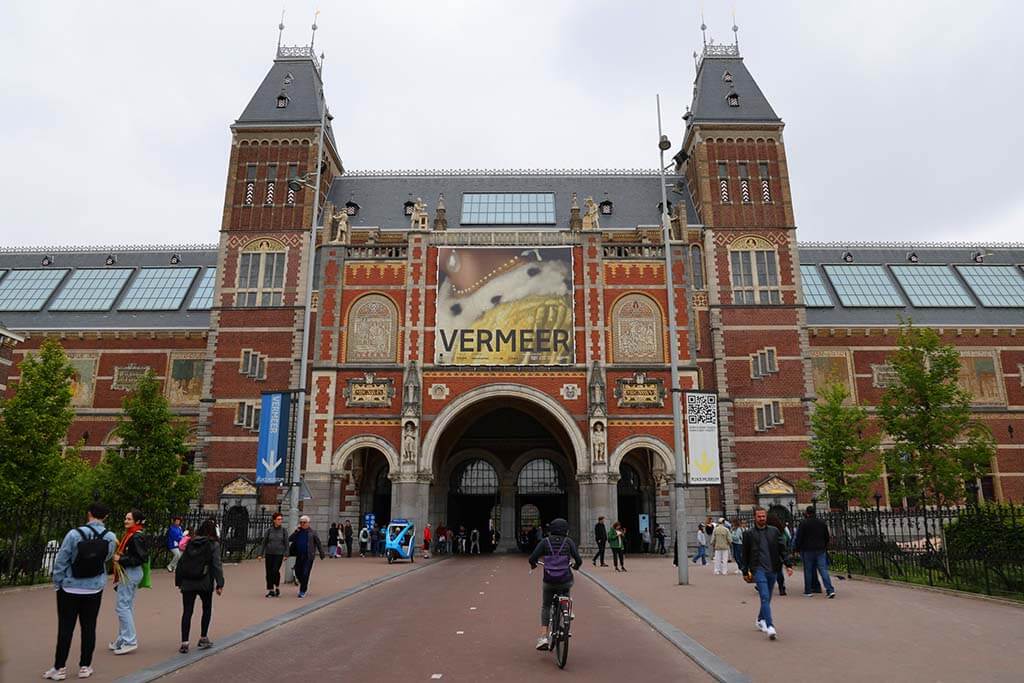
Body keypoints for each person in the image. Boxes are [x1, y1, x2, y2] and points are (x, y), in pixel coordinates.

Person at [44, 502, 118, 681]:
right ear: (105, 517)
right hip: (94, 588)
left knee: (65, 628)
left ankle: (59, 668)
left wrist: (57, 582)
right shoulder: (110, 536)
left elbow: (62, 560)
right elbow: (106, 558)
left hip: (70, 586)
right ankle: (85, 666)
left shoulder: (74, 534)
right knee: (89, 627)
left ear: (89, 514)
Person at [527, 518, 583, 651]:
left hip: (549, 580)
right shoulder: (568, 542)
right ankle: (568, 609)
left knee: (546, 606)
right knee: (568, 584)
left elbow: (532, 558)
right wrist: (575, 566)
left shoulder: (545, 542)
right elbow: (578, 560)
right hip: (565, 579)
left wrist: (533, 565)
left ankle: (543, 637)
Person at [742, 507, 793, 640]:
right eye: (759, 516)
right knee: (764, 596)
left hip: (773, 568)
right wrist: (744, 571)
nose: (761, 518)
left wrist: (788, 565)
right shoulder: (749, 534)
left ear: (766, 517)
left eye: (763, 516)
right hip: (758, 569)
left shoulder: (774, 531)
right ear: (755, 517)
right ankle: (770, 626)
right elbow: (745, 554)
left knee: (768, 597)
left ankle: (760, 619)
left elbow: (782, 549)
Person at [175, 518, 224, 653]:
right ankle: (203, 637)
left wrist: (179, 581)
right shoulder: (213, 544)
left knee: (187, 611)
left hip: (188, 581)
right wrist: (220, 583)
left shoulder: (191, 542)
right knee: (206, 608)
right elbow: (216, 565)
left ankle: (184, 643)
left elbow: (182, 562)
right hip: (205, 581)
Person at [110, 509, 147, 655]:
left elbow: (140, 558)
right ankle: (123, 639)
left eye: (129, 519)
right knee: (126, 606)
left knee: (122, 607)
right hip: (130, 573)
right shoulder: (132, 535)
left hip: (130, 573)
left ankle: (130, 640)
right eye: (126, 518)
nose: (126, 521)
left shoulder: (135, 537)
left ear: (137, 521)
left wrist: (121, 559)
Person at [794, 506, 835, 598]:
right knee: (823, 570)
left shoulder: (803, 523)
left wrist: (797, 548)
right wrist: (824, 545)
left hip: (807, 549)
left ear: (807, 513)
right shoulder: (822, 523)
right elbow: (827, 536)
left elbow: (799, 537)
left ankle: (808, 591)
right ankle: (830, 590)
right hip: (820, 549)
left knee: (808, 571)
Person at [288, 516, 325, 598]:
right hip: (299, 555)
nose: (302, 524)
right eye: (301, 522)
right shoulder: (298, 532)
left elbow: (318, 543)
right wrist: (296, 531)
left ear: (308, 523)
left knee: (305, 572)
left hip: (308, 556)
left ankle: (302, 591)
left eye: (304, 522)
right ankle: (304, 582)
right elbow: (290, 539)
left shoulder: (312, 532)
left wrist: (322, 553)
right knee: (297, 571)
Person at [257, 512, 288, 598]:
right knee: (269, 572)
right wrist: (260, 554)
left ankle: (277, 586)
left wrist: (286, 554)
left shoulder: (284, 531)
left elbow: (286, 543)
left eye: (281, 519)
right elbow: (264, 543)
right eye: (278, 519)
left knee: (275, 570)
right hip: (269, 553)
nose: (280, 521)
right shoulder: (269, 530)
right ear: (274, 520)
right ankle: (271, 590)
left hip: (279, 554)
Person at [767, 514, 790, 596]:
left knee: (767, 570)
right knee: (779, 571)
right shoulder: (781, 529)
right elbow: (788, 537)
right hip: (778, 552)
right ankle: (781, 588)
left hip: (769, 552)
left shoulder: (768, 529)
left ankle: (765, 585)